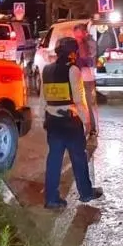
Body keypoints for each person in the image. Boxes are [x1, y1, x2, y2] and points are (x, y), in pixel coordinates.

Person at [40, 36, 103, 209]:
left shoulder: (46, 70)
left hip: (52, 121)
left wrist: (44, 119)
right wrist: (87, 122)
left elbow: (42, 99)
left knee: (54, 160)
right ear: (72, 53)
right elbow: (79, 100)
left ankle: (51, 199)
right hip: (70, 122)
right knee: (78, 158)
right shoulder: (73, 70)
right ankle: (86, 193)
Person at [73, 21, 99, 141]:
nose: (76, 37)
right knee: (79, 103)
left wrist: (80, 43)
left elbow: (85, 57)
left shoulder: (88, 42)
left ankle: (92, 128)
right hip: (79, 76)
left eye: (78, 34)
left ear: (84, 33)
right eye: (75, 35)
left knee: (88, 103)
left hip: (87, 76)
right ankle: (83, 127)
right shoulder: (79, 42)